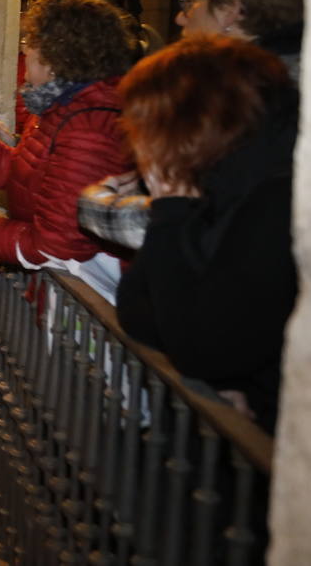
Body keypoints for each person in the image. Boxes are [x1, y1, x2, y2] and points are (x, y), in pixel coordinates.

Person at [114, 37, 298, 430]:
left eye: (147, 123)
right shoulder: (215, 188)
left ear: (191, 122)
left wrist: (169, 208)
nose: (139, 140)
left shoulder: (274, 200)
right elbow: (134, 308)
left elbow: (202, 349)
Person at [79, 0, 307, 248]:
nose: (180, 17)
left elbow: (209, 221)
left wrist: (99, 207)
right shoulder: (272, 84)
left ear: (231, 10)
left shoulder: (244, 95)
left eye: (190, 1)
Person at [0, 0, 135, 303]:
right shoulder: (61, 109)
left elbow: (59, 242)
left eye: (29, 42)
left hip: (94, 302)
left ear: (55, 56)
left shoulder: (89, 125)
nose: (25, 51)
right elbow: (27, 177)